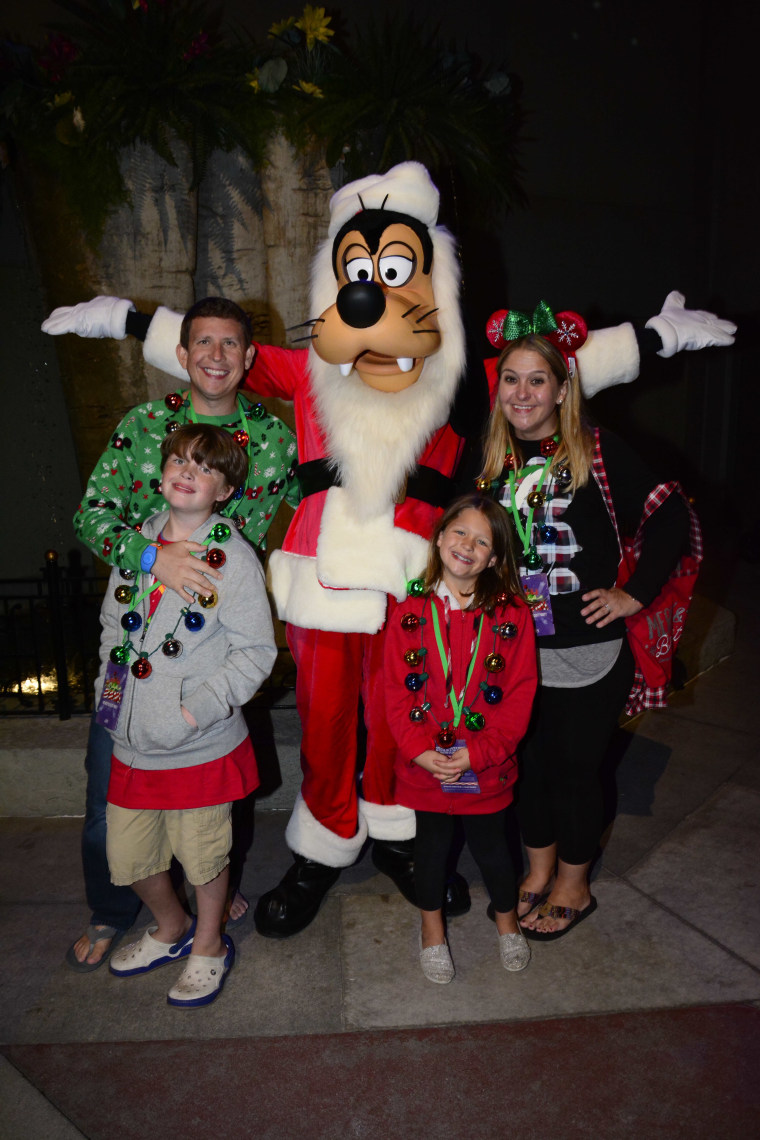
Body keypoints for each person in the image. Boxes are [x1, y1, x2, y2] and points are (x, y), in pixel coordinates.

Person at [42, 163, 735, 941]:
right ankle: (324, 844)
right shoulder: (307, 370)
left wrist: (658, 336)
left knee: (407, 712)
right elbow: (218, 355)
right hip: (323, 582)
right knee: (327, 723)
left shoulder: (452, 381)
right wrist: (126, 320)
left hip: (415, 587)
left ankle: (402, 836)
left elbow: (555, 370)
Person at [66, 296, 297, 971]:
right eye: (204, 343)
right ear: (183, 352)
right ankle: (114, 912)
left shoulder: (273, 437)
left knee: (209, 805)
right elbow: (93, 515)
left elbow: (291, 516)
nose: (217, 357)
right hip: (137, 637)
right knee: (108, 797)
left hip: (210, 643)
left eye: (230, 344)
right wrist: (151, 557)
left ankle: (208, 907)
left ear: (248, 357)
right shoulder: (145, 425)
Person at [477, 304, 698, 940]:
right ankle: (539, 869)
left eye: (537, 380)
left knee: (576, 772)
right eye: (511, 379)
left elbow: (671, 517)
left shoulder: (597, 449)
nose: (523, 393)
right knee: (530, 767)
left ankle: (575, 883)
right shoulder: (490, 455)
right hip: (513, 649)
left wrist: (634, 594)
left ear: (563, 388)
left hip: (586, 651)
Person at [98, 423, 276, 1006]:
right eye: (178, 460)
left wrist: (192, 713)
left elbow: (256, 653)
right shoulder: (140, 542)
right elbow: (111, 625)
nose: (186, 471)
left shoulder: (235, 559)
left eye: (203, 467)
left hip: (197, 742)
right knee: (127, 856)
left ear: (224, 489)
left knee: (203, 856)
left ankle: (208, 941)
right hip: (132, 740)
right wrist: (109, 686)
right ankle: (169, 926)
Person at [384, 495, 537, 982]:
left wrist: (478, 753)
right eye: (459, 532)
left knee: (493, 848)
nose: (467, 545)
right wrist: (420, 752)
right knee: (430, 849)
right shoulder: (410, 609)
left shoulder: (512, 615)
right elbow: (393, 690)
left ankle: (507, 921)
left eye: (482, 540)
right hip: (427, 763)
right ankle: (432, 930)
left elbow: (518, 695)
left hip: (484, 764)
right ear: (439, 537)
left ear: (494, 558)